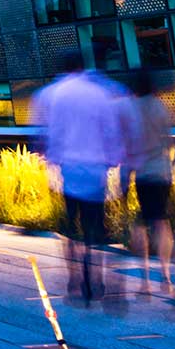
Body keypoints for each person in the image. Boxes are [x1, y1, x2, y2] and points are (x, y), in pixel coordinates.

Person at [33, 48, 126, 304]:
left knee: (71, 225)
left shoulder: (54, 94)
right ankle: (95, 278)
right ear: (83, 66)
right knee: (94, 226)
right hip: (96, 169)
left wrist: (52, 158)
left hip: (69, 169)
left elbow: (50, 132)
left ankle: (74, 279)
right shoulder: (99, 92)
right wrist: (112, 160)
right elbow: (111, 131)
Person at [122, 70, 175, 298]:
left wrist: (125, 176)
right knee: (162, 222)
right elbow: (170, 141)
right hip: (163, 173)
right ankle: (166, 275)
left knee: (141, 223)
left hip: (144, 173)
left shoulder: (132, 110)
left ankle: (145, 280)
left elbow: (129, 145)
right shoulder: (161, 107)